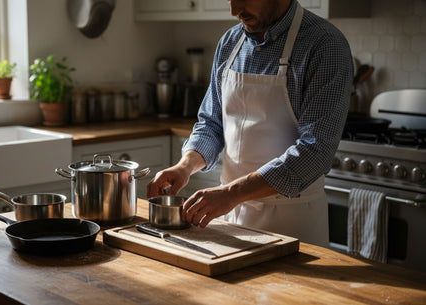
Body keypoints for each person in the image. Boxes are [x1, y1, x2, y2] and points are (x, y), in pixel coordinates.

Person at [147, 0, 353, 247]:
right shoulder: (230, 43)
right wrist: (185, 166)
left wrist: (233, 193)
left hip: (293, 224)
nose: (234, 10)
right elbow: (212, 124)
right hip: (228, 217)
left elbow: (314, 152)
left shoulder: (324, 45)